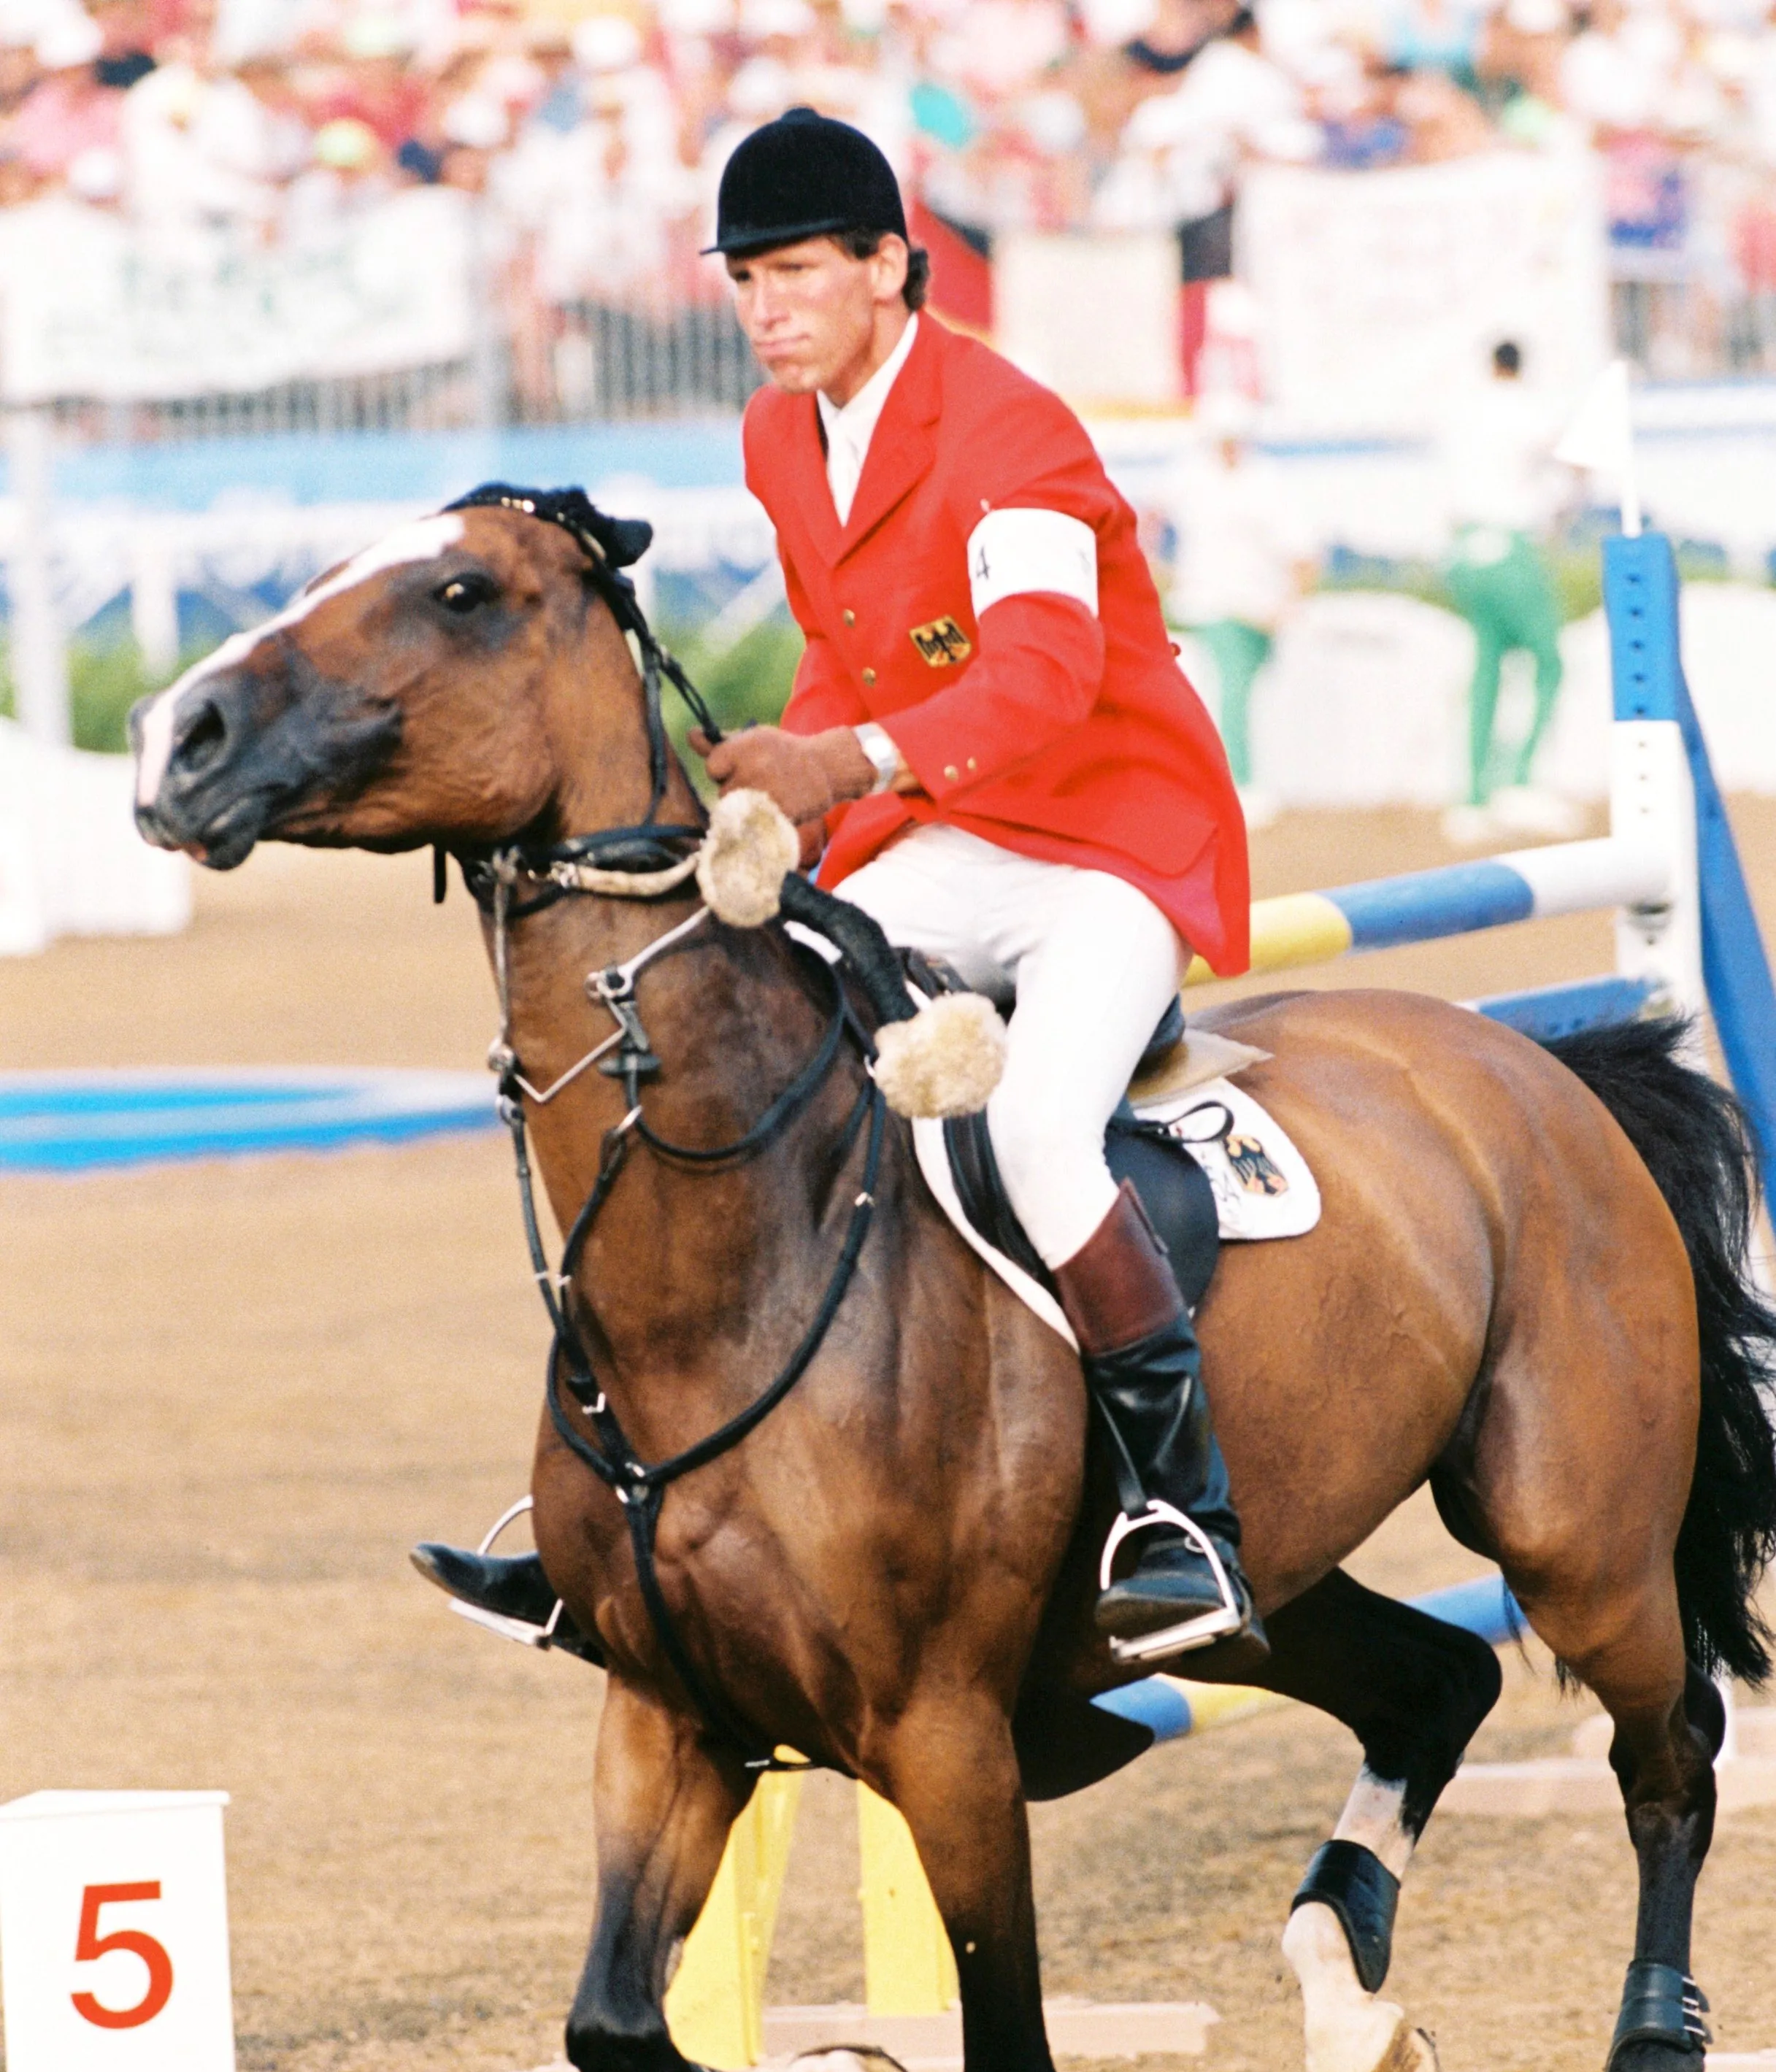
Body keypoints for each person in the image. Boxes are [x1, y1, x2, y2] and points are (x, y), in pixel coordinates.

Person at [428, 105, 1266, 1670]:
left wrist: (845, 765)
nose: (764, 308)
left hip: (1107, 848)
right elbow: (845, 647)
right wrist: (790, 776)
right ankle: (618, 1500)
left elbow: (1044, 675)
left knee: (1028, 1125)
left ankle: (1181, 1514)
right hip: (947, 838)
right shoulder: (777, 433)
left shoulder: (1012, 429)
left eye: (795, 272)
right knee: (727, 1026)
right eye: (742, 279)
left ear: (890, 265)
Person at [1439, 337, 1578, 846]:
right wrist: (1562, 505)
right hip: (1510, 548)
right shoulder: (1526, 409)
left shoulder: (1462, 412)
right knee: (1548, 662)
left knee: (1486, 669)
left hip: (1463, 550)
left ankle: (1473, 795)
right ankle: (1519, 780)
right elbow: (1575, 460)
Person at [1157, 391, 1313, 827]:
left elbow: (1299, 548)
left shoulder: (1265, 480)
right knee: (1233, 690)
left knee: (1239, 689)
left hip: (1257, 609)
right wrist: (1161, 569)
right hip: (1210, 604)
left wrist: (1290, 602)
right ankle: (1237, 784)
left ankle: (1231, 782)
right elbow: (1151, 518)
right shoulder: (1190, 474)